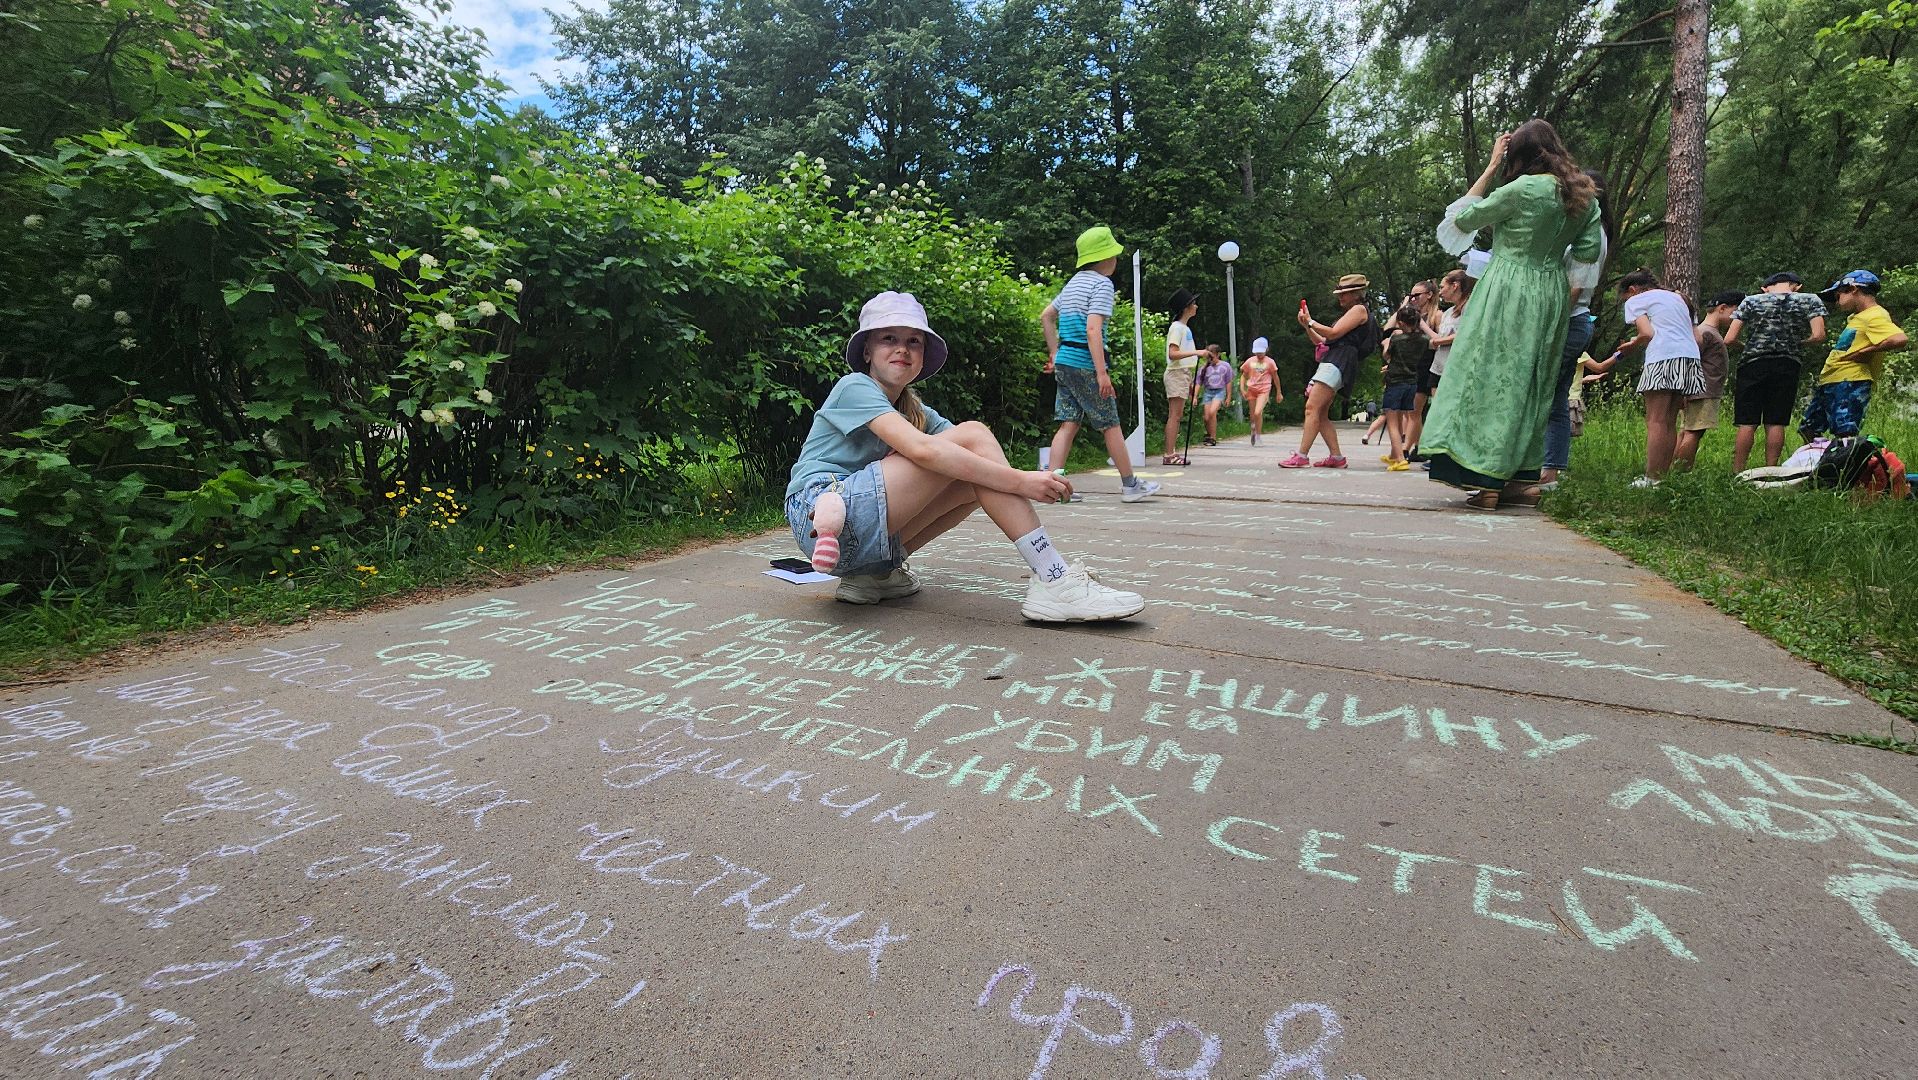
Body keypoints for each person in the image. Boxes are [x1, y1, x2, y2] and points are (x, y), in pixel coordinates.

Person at [790, 291, 1147, 622]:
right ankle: (1053, 577)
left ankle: (875, 575)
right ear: (867, 351)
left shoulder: (914, 410)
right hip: (820, 513)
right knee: (973, 438)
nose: (903, 349)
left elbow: (968, 458)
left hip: (852, 539)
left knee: (973, 476)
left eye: (914, 341)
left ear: (923, 356)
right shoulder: (855, 386)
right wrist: (1023, 481)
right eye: (889, 338)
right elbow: (927, 449)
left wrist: (1011, 478)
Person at [1426, 119, 1604, 509]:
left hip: (1506, 286)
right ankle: (1523, 479)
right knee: (1531, 382)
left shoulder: (1521, 189)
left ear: (1519, 154)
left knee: (1490, 376)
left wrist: (1491, 168)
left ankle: (1487, 480)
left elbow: (1460, 221)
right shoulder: (1583, 197)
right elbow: (1589, 255)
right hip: (1551, 291)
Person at [1041, 226, 1161, 502]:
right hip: (1085, 363)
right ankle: (1130, 485)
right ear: (1105, 259)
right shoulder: (1102, 285)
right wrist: (1102, 373)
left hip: (1065, 364)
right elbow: (1093, 330)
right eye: (1114, 256)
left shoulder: (1073, 283)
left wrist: (1054, 353)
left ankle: (1053, 485)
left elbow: (1046, 316)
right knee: (1110, 423)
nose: (1116, 261)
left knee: (1068, 422)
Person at [1540, 168, 1614, 490]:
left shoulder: (1593, 234)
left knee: (1549, 396)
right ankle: (1550, 469)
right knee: (1553, 397)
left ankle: (1548, 470)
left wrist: (1549, 324)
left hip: (1569, 321)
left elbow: (1574, 287)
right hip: (1571, 321)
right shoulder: (1588, 229)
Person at [1724, 272, 1826, 471]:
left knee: (1747, 421)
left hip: (1753, 363)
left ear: (1765, 288)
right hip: (1787, 363)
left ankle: (1738, 470)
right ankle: (1771, 469)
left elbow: (1729, 339)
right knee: (1776, 421)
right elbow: (1819, 335)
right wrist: (1797, 344)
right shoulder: (1810, 300)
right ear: (1796, 286)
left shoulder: (1751, 302)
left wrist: (1749, 346)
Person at [1611, 270, 1702, 487]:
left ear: (1632, 290)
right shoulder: (1680, 298)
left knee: (1655, 420)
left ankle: (1651, 478)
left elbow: (1647, 333)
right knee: (1669, 421)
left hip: (1662, 357)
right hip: (1689, 358)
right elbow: (1697, 337)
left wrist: (1631, 345)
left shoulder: (1637, 300)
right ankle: (1662, 477)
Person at [1282, 274, 1379, 468]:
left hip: (1339, 361)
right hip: (1334, 358)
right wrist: (1306, 326)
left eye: (1344, 293)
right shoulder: (1351, 312)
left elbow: (1333, 333)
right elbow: (1324, 341)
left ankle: (1302, 455)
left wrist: (1310, 321)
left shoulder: (1359, 310)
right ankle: (1336, 457)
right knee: (1321, 413)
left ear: (1356, 294)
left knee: (1312, 408)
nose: (1340, 297)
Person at [1800, 269, 1907, 441]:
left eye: (1838, 296)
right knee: (1809, 427)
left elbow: (1899, 338)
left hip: (1850, 380)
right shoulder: (1858, 317)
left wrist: (1865, 352)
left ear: (1853, 289)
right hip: (1831, 380)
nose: (1837, 302)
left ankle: (1847, 465)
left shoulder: (1875, 314)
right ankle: (1820, 461)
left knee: (1845, 430)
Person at [1674, 291, 1743, 470]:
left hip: (1700, 390)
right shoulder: (1706, 333)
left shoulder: (1708, 332)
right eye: (1735, 312)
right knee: (1694, 432)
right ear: (1722, 308)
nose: (1737, 319)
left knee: (1686, 430)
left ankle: (1672, 469)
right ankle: (1681, 471)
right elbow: (1690, 360)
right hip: (1703, 390)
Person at [1162, 288, 1205, 466]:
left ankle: (1171, 452)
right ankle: (1169, 454)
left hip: (1183, 373)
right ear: (1186, 308)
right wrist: (1197, 352)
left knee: (1177, 415)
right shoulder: (1177, 328)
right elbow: (1173, 353)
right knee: (1175, 416)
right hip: (1176, 373)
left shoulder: (1183, 328)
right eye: (1193, 303)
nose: (1196, 306)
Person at [1379, 307, 1425, 470]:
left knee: (1391, 421)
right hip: (1412, 382)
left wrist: (1386, 344)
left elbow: (1387, 355)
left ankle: (1400, 458)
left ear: (1400, 323)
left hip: (1395, 382)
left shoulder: (1397, 340)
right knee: (1400, 418)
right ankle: (1393, 454)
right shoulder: (1422, 340)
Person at [1402, 280, 1442, 461]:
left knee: (1415, 410)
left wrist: (1422, 325)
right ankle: (1418, 448)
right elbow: (1390, 329)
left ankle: (1405, 449)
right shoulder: (1412, 315)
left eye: (1416, 295)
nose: (1413, 299)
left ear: (1429, 295)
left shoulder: (1437, 316)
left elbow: (1440, 341)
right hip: (1411, 365)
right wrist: (1404, 307)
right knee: (1411, 411)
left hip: (1428, 366)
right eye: (1411, 296)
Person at [1239, 337, 1281, 446]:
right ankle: (1253, 428)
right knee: (1253, 414)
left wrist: (1278, 392)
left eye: (1261, 352)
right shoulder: (1250, 361)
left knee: (1258, 412)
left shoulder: (1270, 362)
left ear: (1266, 350)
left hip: (1264, 389)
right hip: (1252, 389)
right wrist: (1242, 389)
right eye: (1257, 352)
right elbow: (1243, 376)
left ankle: (1258, 436)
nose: (1259, 354)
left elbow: (1275, 377)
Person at [1196, 346, 1234, 446]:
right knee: (1206, 417)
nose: (1210, 359)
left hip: (1219, 391)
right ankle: (1208, 434)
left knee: (1213, 412)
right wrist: (1195, 396)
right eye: (1208, 357)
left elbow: (1228, 382)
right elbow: (1198, 383)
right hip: (1208, 392)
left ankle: (1213, 437)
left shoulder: (1225, 366)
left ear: (1218, 355)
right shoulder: (1203, 368)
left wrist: (1228, 396)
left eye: (1212, 356)